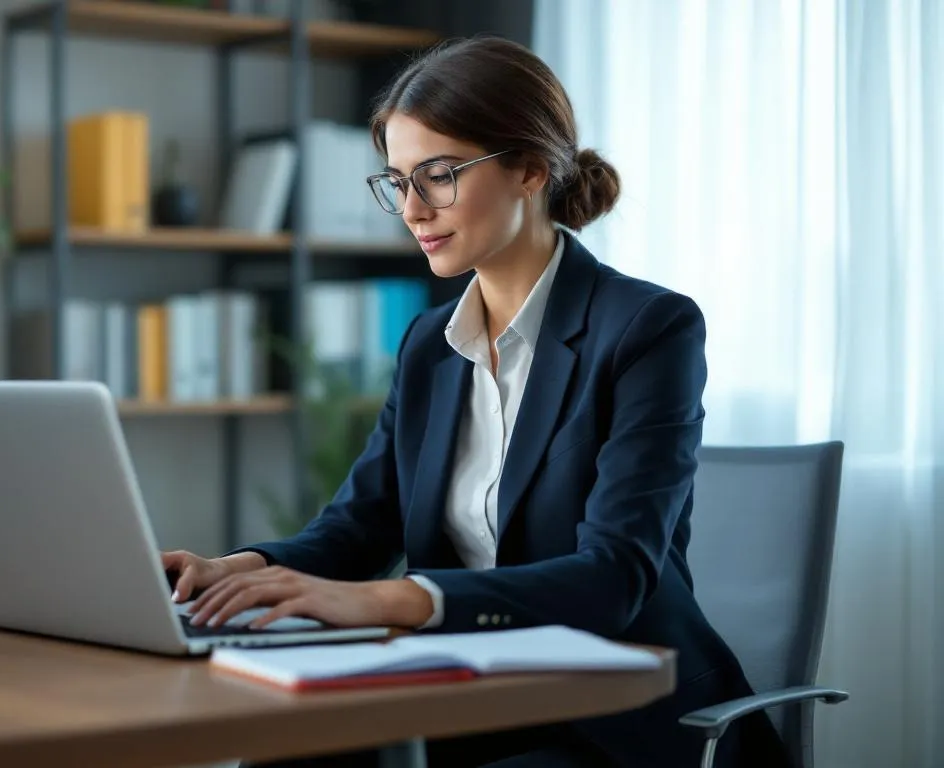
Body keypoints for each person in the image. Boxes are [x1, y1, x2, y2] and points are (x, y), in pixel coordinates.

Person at [161, 35, 789, 768]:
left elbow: (613, 576)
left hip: (615, 719)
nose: (412, 208)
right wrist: (237, 569)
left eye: (439, 175)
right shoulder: (430, 344)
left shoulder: (647, 330)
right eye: (397, 181)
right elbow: (359, 526)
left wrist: (391, 600)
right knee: (285, 750)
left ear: (530, 168)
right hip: (465, 704)